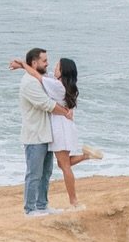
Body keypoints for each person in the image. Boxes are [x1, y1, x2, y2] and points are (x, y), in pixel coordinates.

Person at [16, 47, 70, 215]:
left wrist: (22, 65)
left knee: (46, 173)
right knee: (34, 174)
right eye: (44, 61)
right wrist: (66, 112)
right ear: (34, 63)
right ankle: (30, 209)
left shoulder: (41, 78)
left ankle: (42, 205)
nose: (47, 63)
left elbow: (55, 83)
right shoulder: (29, 83)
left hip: (46, 135)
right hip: (35, 135)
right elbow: (46, 104)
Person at [46, 56, 103, 205]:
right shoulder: (67, 86)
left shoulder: (57, 85)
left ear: (62, 71)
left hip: (60, 128)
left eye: (57, 66)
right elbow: (45, 75)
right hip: (65, 127)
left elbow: (39, 77)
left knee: (64, 166)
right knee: (63, 164)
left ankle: (74, 201)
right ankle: (86, 155)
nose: (54, 68)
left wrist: (23, 65)